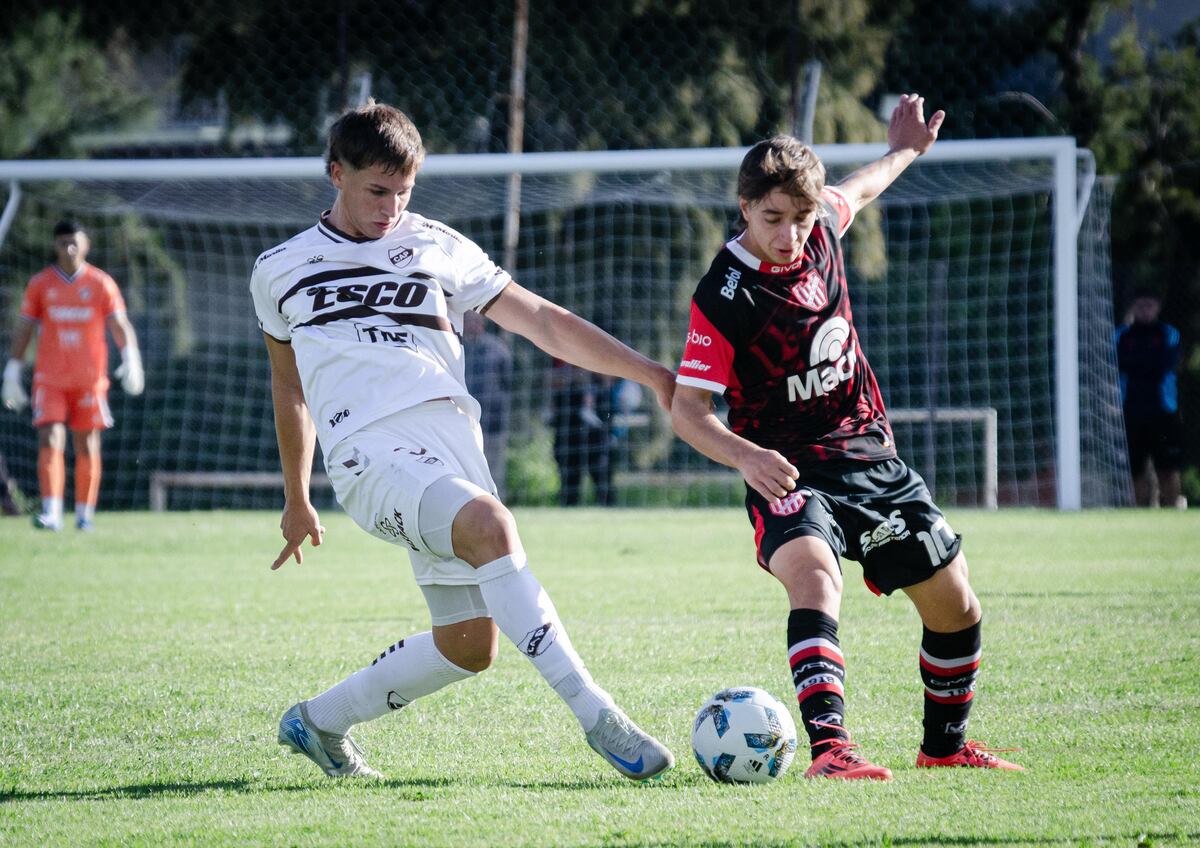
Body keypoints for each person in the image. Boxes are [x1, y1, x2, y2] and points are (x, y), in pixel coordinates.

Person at [250, 102, 675, 781]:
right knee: (491, 526)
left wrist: (649, 371)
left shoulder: (438, 245)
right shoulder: (279, 268)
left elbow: (541, 320)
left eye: (404, 191)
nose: (391, 207)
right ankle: (600, 717)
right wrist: (297, 497)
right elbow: (289, 387)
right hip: (367, 456)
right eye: (376, 190)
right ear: (337, 173)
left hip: (451, 452)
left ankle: (317, 722)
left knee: (468, 648)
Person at [670, 95, 1022, 780]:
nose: (789, 233)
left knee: (957, 604)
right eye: (772, 218)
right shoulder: (722, 294)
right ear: (744, 208)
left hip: (866, 452)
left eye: (800, 218)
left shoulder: (824, 226)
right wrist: (746, 457)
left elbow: (863, 185)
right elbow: (688, 410)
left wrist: (908, 148)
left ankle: (943, 751)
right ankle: (832, 751)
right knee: (815, 577)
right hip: (786, 469)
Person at [2, 220, 144, 531]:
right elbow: (24, 328)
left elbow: (120, 325)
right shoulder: (40, 284)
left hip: (90, 380)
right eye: (63, 242)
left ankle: (84, 515)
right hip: (50, 379)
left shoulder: (100, 283)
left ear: (86, 245)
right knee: (50, 436)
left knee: (87, 442)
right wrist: (13, 369)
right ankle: (52, 512)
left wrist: (131, 357)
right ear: (55, 246)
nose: (69, 249)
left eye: (74, 242)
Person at [1115, 292, 1186, 508]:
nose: (1145, 309)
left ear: (1158, 307)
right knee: (1134, 469)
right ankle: (1138, 511)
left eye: (1149, 304)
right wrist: (1143, 363)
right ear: (1133, 307)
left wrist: (1137, 364)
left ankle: (1173, 509)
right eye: (1140, 305)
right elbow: (1119, 363)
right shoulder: (1122, 335)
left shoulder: (1168, 333)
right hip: (1131, 410)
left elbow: (1165, 364)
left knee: (1167, 467)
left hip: (1163, 411)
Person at [462, 311, 513, 500]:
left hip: (493, 422)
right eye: (468, 321)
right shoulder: (455, 348)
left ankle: (499, 507)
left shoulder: (498, 349)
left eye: (475, 320)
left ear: (482, 323)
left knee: (494, 469)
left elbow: (508, 382)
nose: (472, 325)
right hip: (463, 423)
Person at [550, 361, 614, 505]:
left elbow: (611, 376)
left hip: (596, 434)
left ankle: (608, 510)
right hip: (567, 432)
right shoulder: (561, 363)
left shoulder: (599, 368)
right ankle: (568, 510)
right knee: (569, 480)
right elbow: (550, 380)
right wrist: (574, 376)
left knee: (602, 478)